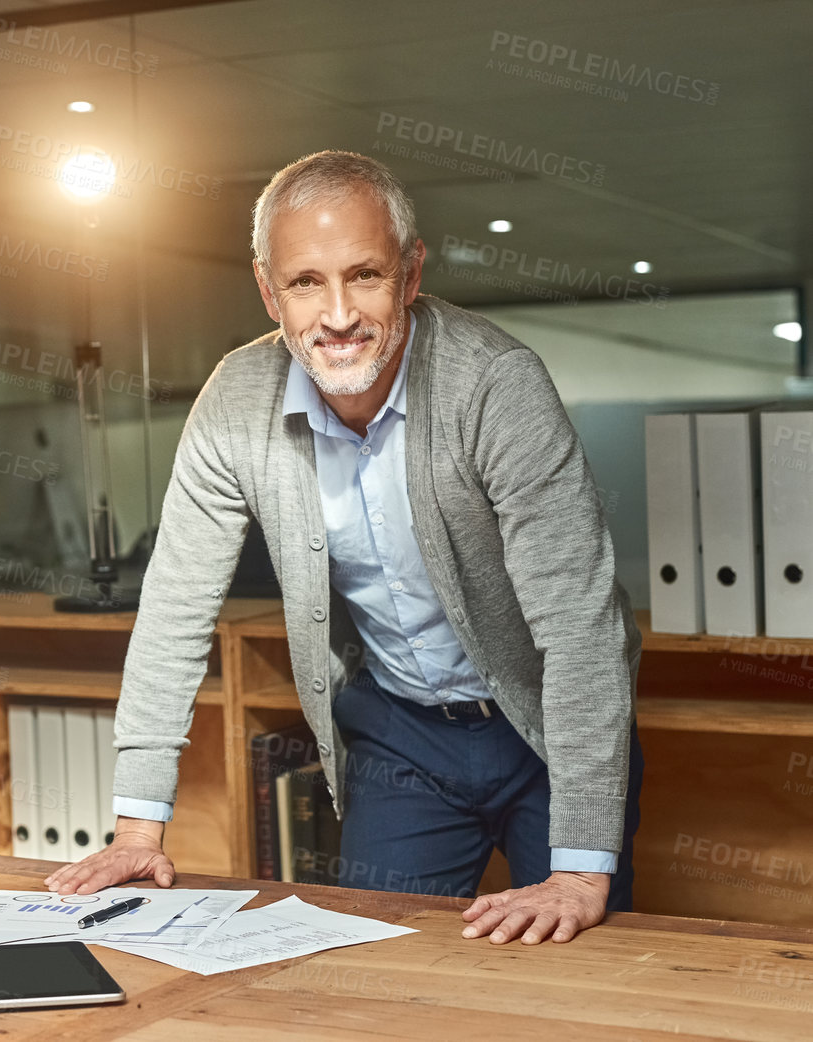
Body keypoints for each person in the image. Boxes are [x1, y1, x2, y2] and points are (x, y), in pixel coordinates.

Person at [45, 150, 643, 946]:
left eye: (364, 275)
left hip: (544, 729)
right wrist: (138, 831)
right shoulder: (235, 401)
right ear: (268, 290)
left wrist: (578, 873)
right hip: (401, 736)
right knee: (376, 962)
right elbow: (174, 611)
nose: (337, 315)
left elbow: (581, 629)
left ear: (411, 272)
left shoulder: (495, 385)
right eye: (304, 283)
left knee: (579, 970)